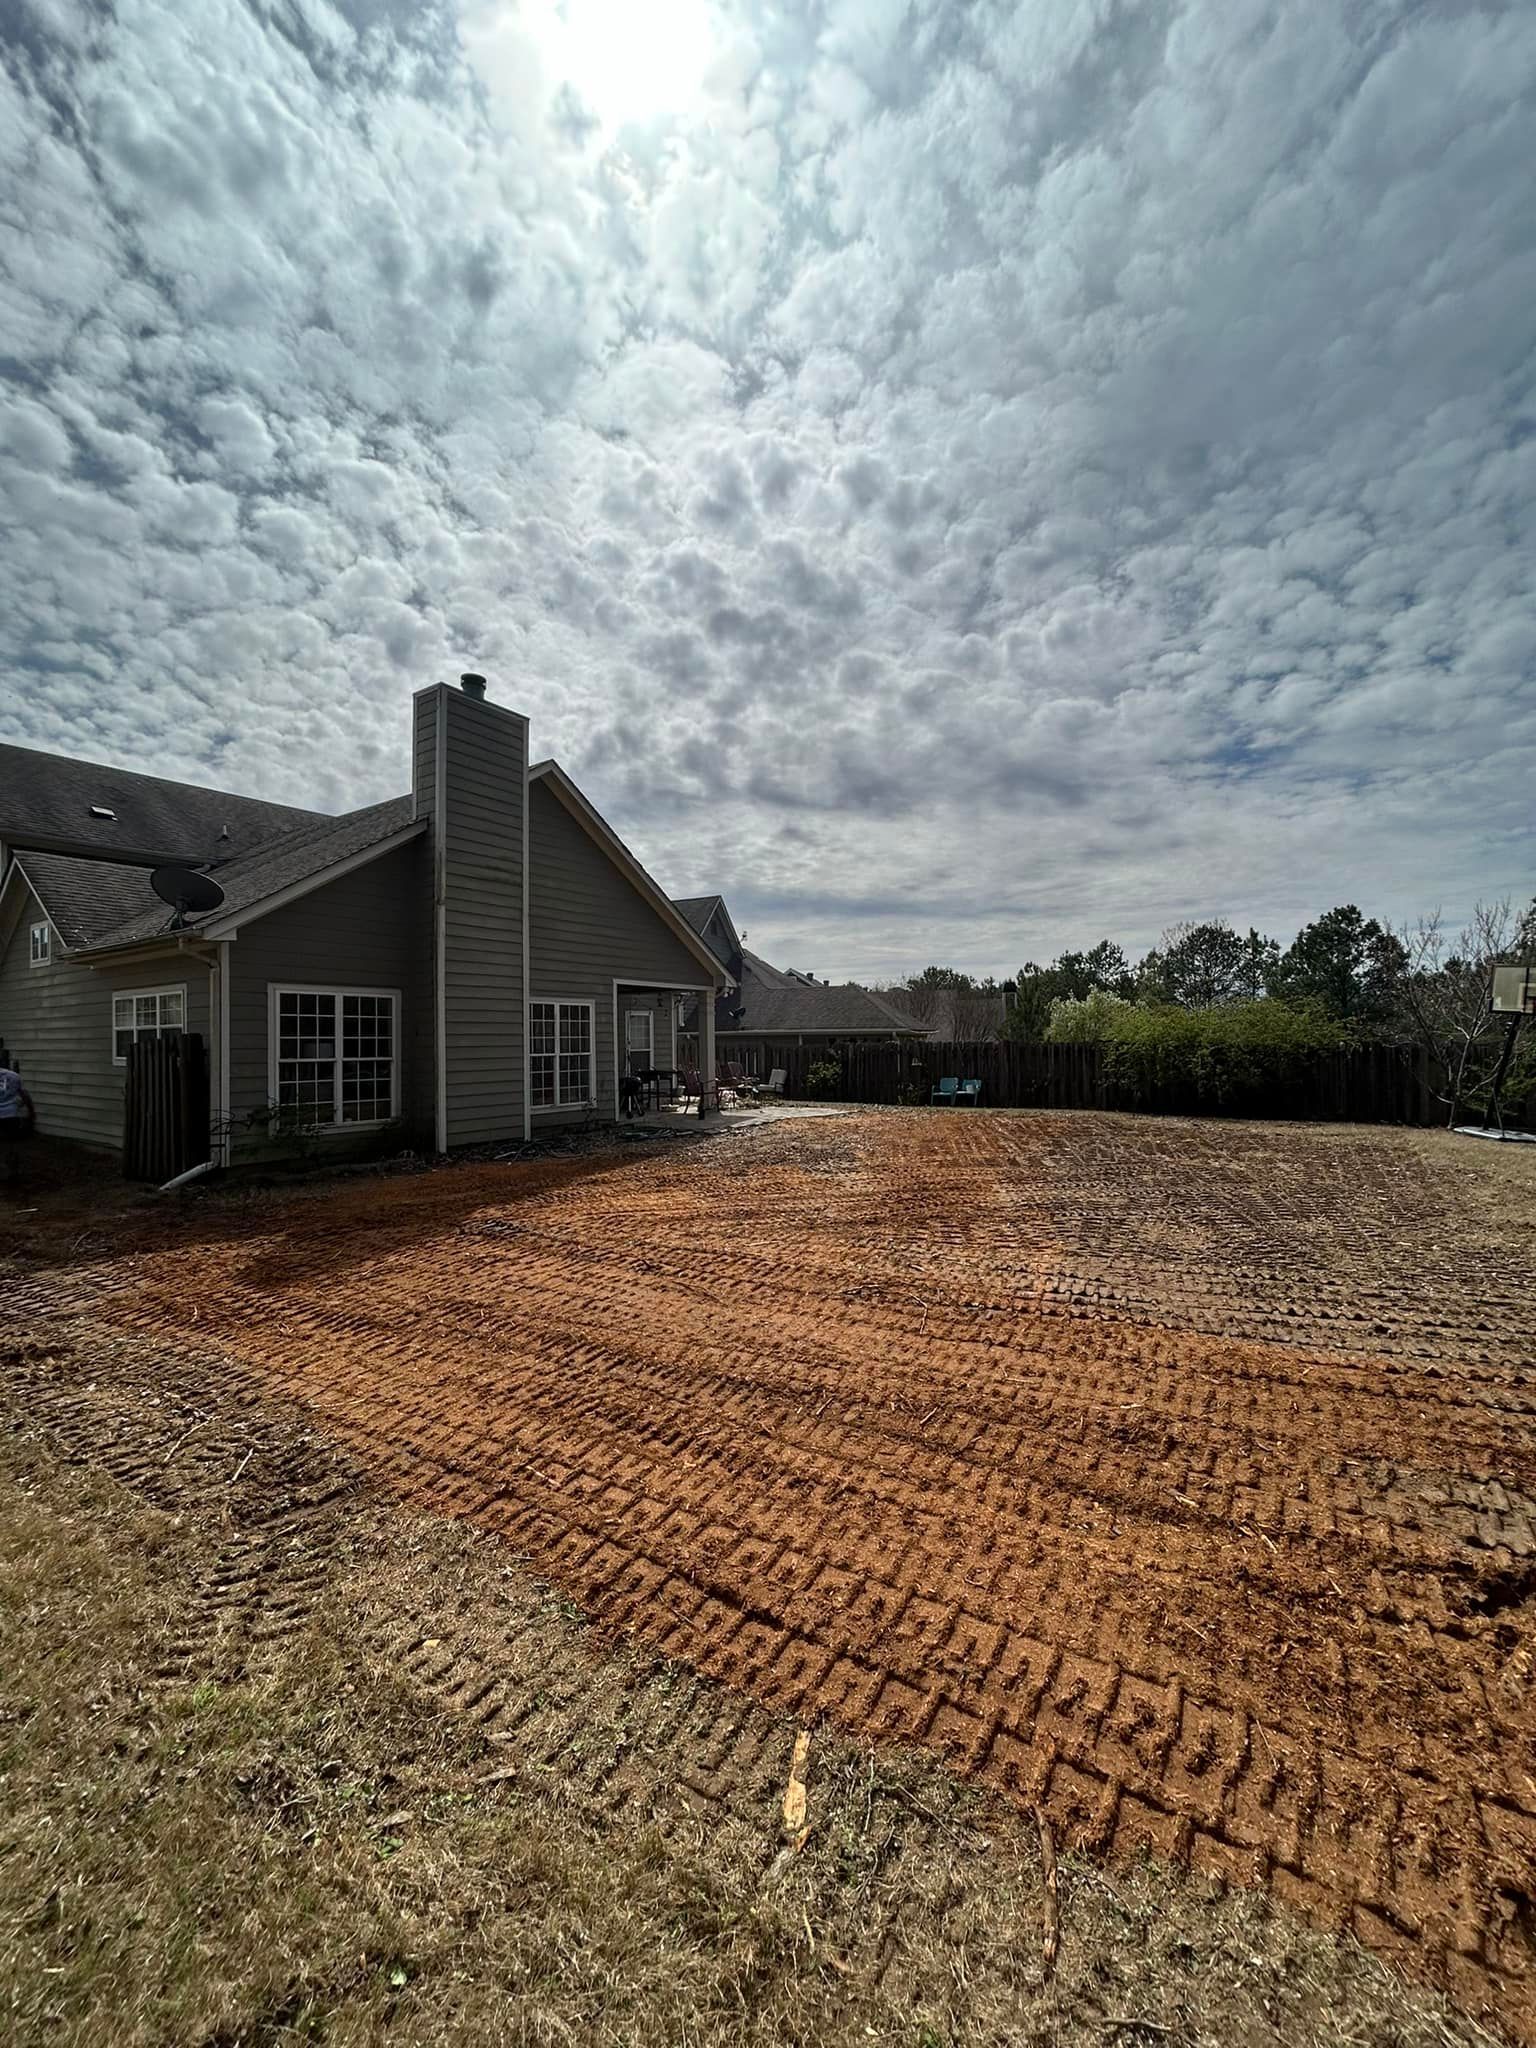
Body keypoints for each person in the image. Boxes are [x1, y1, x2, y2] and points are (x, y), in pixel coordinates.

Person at [0, 1063, 35, 1185]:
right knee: (12, 1144)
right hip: (11, 1114)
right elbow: (24, 1095)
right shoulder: (14, 1076)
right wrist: (31, 1112)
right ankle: (13, 1172)